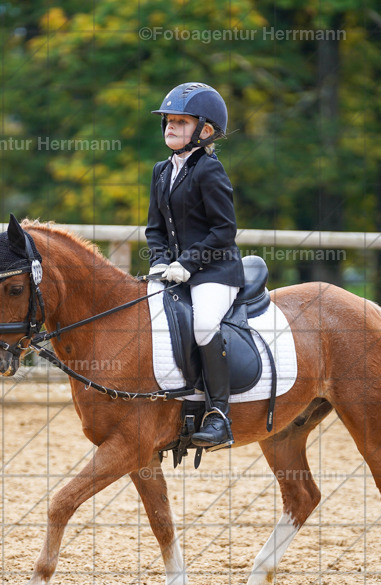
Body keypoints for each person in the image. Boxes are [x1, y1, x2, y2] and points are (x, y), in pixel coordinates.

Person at [146, 82, 243, 450]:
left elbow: (224, 230)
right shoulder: (161, 171)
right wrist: (160, 261)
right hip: (174, 270)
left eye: (181, 121)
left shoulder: (209, 171)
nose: (171, 126)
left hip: (216, 271)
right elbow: (154, 229)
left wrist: (187, 263)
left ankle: (219, 416)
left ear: (204, 131)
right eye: (168, 120)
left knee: (203, 324)